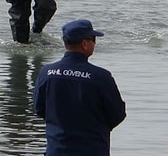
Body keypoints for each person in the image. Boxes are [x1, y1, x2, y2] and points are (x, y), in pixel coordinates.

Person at [33, 19, 126, 156]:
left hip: (57, 150)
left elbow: (39, 108)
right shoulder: (101, 76)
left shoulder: (47, 72)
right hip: (92, 149)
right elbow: (118, 114)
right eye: (93, 39)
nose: (95, 44)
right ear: (85, 44)